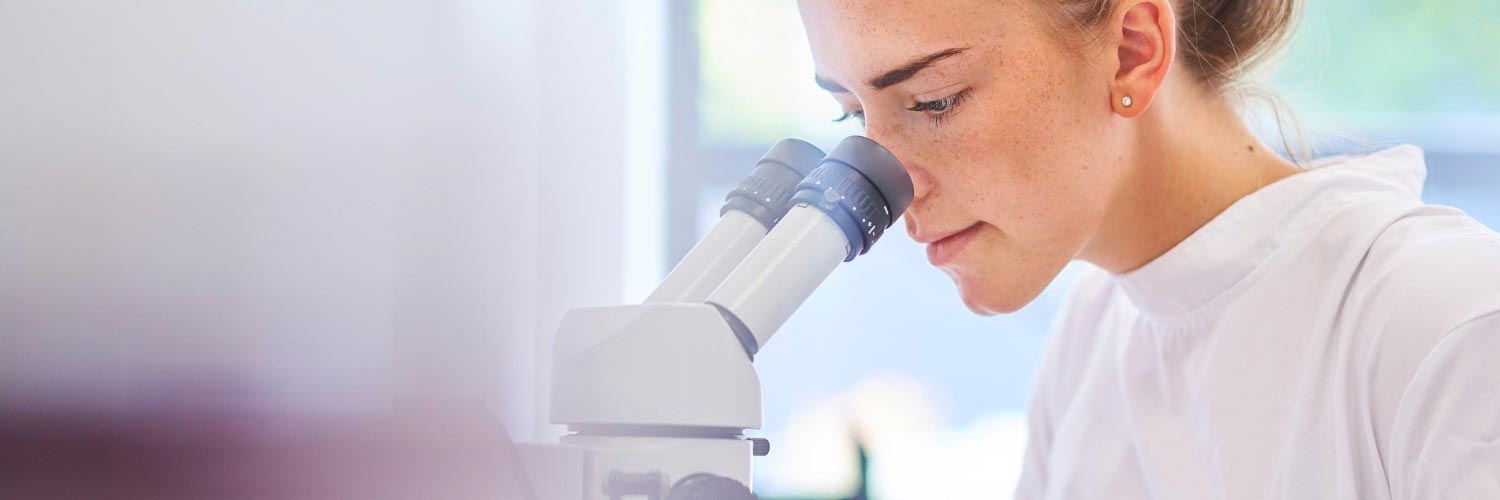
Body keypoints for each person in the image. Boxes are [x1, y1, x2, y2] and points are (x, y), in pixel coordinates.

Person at [797, 0, 1500, 498]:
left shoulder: (1448, 322)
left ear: (1134, 51)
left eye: (934, 100)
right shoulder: (1094, 336)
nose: (887, 192)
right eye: (854, 115)